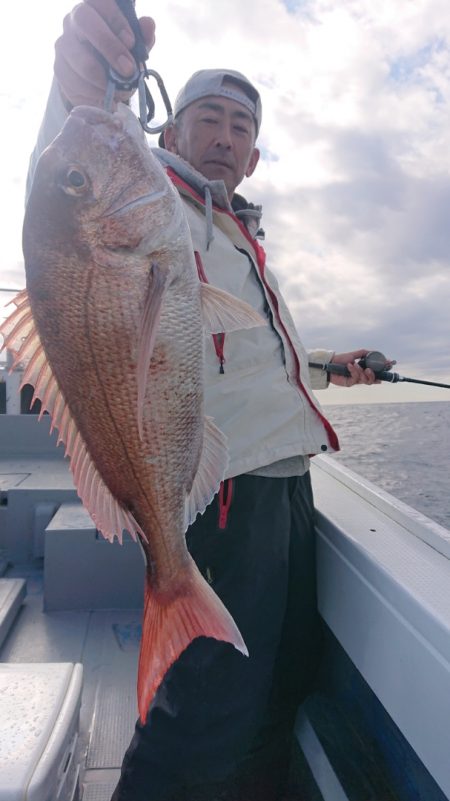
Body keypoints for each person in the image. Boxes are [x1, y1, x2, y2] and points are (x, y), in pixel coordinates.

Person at [28, 3, 390, 799]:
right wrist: (83, 89)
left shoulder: (234, 233)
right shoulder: (157, 209)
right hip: (223, 493)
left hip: (286, 486)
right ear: (170, 136)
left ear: (254, 156)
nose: (225, 136)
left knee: (274, 687)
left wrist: (332, 365)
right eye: (208, 120)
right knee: (204, 719)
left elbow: (252, 354)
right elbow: (66, 194)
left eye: (240, 128)